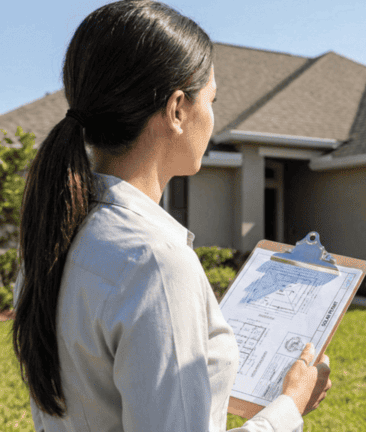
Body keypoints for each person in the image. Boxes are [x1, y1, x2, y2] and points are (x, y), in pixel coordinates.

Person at [12, 1, 330, 431]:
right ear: (178, 109)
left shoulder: (55, 237)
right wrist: (290, 405)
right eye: (211, 99)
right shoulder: (155, 262)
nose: (213, 117)